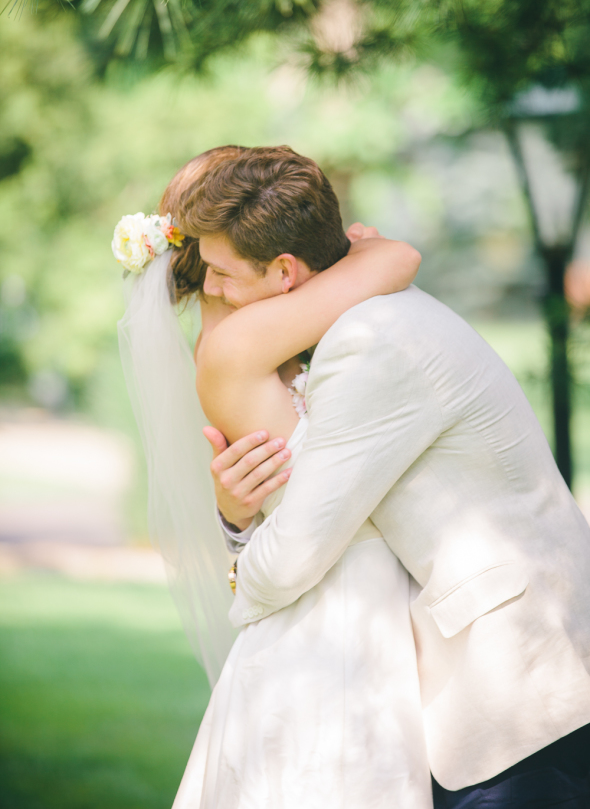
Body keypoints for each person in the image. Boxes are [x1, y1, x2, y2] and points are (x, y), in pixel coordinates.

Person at [185, 146, 590, 808]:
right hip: (494, 682)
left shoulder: (370, 340)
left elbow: (293, 557)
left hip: (526, 687)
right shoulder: (363, 317)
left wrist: (237, 546)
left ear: (284, 271)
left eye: (223, 274)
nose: (212, 291)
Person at [116, 146, 433, 809]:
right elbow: (398, 258)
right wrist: (351, 248)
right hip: (334, 622)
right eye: (221, 268)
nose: (220, 284)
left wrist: (233, 521)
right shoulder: (237, 346)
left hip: (342, 605)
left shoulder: (262, 338)